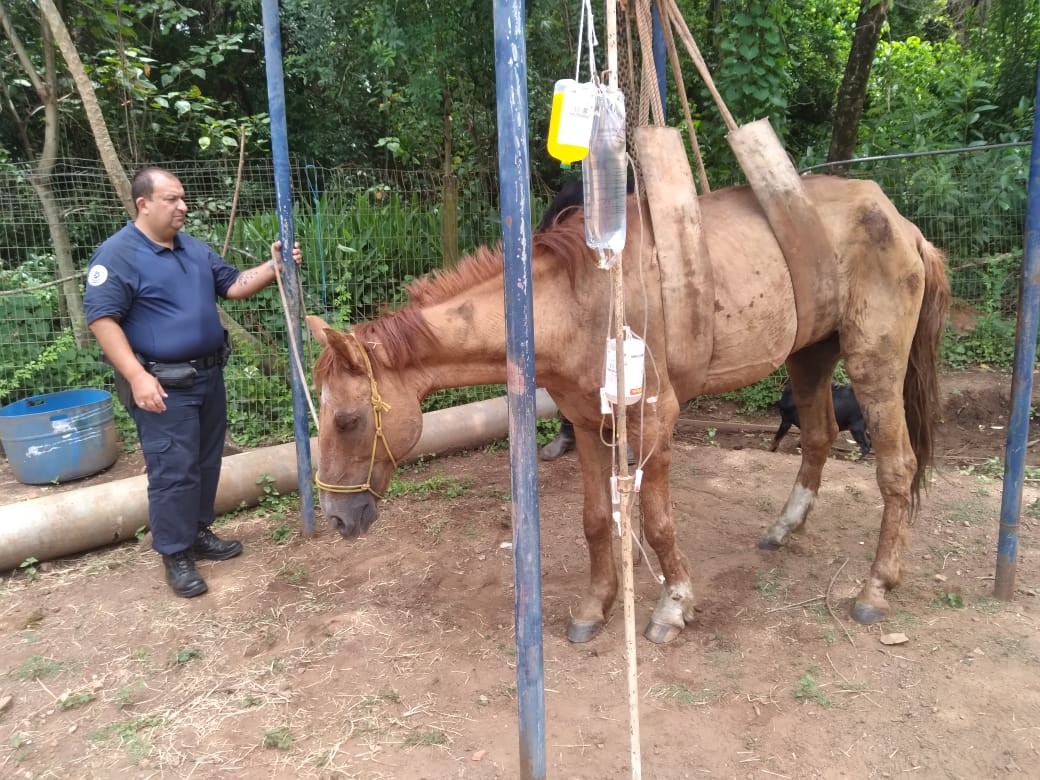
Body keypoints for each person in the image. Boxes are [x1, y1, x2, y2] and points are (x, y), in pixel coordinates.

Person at [84, 167, 302, 598]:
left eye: (183, 198)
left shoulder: (193, 249)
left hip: (207, 376)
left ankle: (199, 533)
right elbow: (102, 320)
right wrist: (136, 375)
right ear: (142, 203)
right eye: (172, 199)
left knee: (205, 463)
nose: (183, 206)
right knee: (173, 469)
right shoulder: (118, 255)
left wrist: (273, 266)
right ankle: (175, 553)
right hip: (163, 385)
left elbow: (234, 286)